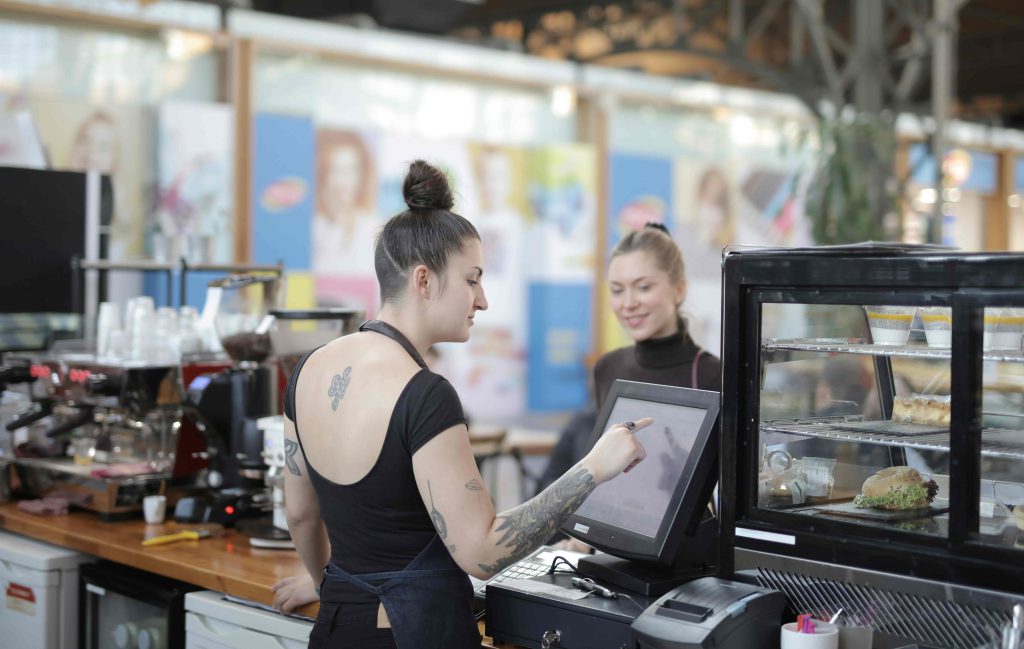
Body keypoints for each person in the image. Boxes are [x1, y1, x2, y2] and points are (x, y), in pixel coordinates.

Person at [279, 160, 650, 648]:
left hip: (338, 630)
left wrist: (328, 583)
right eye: (472, 279)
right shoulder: (424, 394)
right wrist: (592, 470)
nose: (483, 299)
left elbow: (301, 516)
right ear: (424, 281)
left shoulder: (308, 369)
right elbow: (483, 551)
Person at [311, 129, 379, 276]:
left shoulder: (373, 226)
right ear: (323, 176)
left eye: (351, 169)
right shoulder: (316, 227)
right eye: (336, 170)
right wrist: (335, 221)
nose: (344, 181)